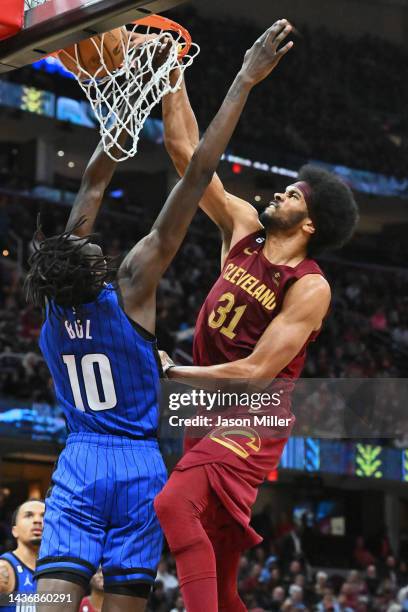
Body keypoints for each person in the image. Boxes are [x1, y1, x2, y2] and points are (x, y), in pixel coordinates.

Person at [24, 20, 290, 612]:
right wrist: (241, 79)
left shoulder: (52, 303)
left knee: (47, 605)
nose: (96, 242)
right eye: (92, 247)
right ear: (93, 267)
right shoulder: (133, 283)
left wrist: (129, 101)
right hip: (138, 464)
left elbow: (92, 183)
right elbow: (196, 173)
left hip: (78, 461)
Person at [155, 19, 359, 612]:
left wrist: (175, 371)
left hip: (255, 410)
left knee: (172, 506)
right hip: (204, 403)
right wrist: (170, 75)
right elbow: (187, 157)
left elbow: (257, 373)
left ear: (310, 224)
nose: (279, 195)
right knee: (218, 571)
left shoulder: (310, 287)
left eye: (293, 195)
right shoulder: (242, 228)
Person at [0, 499, 45, 611]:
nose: (37, 520)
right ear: (14, 531)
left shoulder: (58, 569)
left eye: (44, 516)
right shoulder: (4, 568)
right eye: (29, 515)